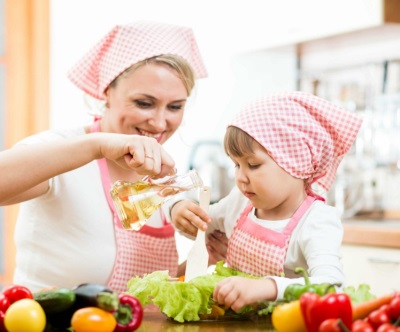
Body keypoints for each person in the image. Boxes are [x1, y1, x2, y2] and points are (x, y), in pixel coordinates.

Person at [1, 21, 227, 293]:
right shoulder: (61, 149)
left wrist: (202, 260)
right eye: (144, 103)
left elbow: (137, 290)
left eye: (175, 107)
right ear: (107, 91)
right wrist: (98, 145)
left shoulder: (161, 173)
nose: (159, 122)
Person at [171, 91, 363, 311]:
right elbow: (201, 228)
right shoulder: (239, 202)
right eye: (236, 165)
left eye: (253, 165)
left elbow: (331, 286)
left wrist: (267, 288)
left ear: (295, 162)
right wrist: (180, 211)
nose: (241, 177)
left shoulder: (317, 220)